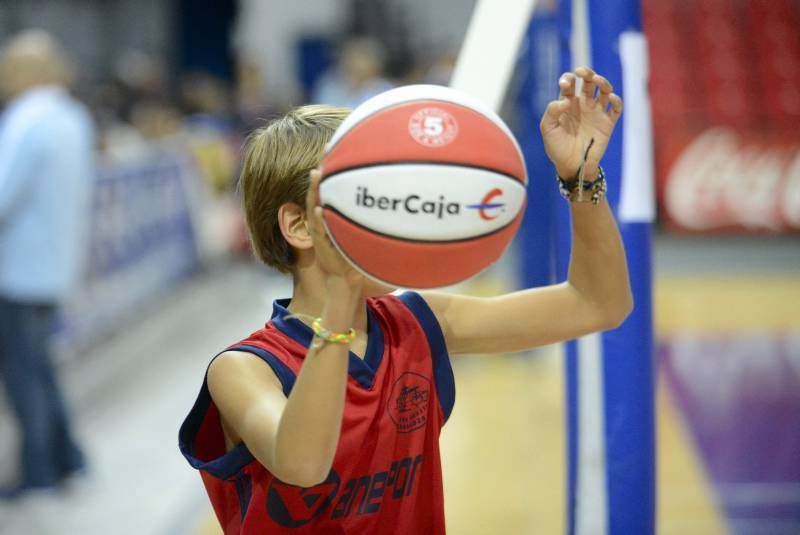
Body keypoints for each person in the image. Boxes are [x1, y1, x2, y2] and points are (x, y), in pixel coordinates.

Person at [179, 66, 630, 533]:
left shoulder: (417, 321)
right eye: (371, 199)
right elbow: (303, 464)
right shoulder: (243, 369)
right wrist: (341, 295)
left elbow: (598, 303)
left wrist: (581, 180)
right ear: (298, 225)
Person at [0, 30, 93, 499]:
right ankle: (68, 458)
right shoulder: (72, 117)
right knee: (41, 367)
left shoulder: (25, 120)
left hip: (19, 270)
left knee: (24, 374)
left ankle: (37, 471)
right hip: (55, 264)